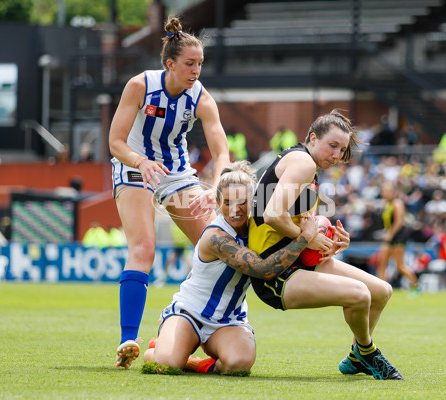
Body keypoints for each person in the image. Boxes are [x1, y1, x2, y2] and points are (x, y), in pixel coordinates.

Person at [108, 16, 231, 369]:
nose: (196, 70)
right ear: (170, 64)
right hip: (133, 165)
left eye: (200, 64)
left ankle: (186, 326)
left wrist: (216, 188)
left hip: (176, 174)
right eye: (190, 64)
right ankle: (127, 340)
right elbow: (115, 142)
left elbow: (222, 153)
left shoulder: (202, 98)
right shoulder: (139, 86)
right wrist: (140, 161)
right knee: (144, 248)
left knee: (218, 246)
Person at [248, 109, 403, 380]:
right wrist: (310, 238)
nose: (337, 155)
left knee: (381, 291)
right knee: (360, 295)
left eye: (342, 150)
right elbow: (273, 215)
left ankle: (357, 356)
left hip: (297, 258)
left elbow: (303, 223)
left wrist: (329, 240)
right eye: (332, 146)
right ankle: (368, 353)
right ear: (312, 137)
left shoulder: (306, 164)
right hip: (274, 271)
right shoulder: (303, 163)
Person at [141, 161, 319, 375]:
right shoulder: (215, 236)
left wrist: (332, 241)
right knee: (166, 364)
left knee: (238, 364)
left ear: (253, 201)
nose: (235, 210)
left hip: (229, 320)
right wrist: (306, 237)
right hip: (190, 313)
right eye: (227, 203)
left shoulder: (262, 227)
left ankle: (194, 362)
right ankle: (159, 349)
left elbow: (304, 234)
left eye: (242, 202)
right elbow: (263, 269)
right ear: (217, 201)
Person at [375, 181, 419, 290]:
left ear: (393, 191)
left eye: (387, 190)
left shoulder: (397, 203)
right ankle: (380, 290)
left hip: (398, 237)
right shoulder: (387, 204)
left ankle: (415, 286)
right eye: (384, 190)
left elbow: (399, 221)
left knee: (400, 266)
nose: (385, 193)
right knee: (381, 264)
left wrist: (390, 234)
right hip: (389, 238)